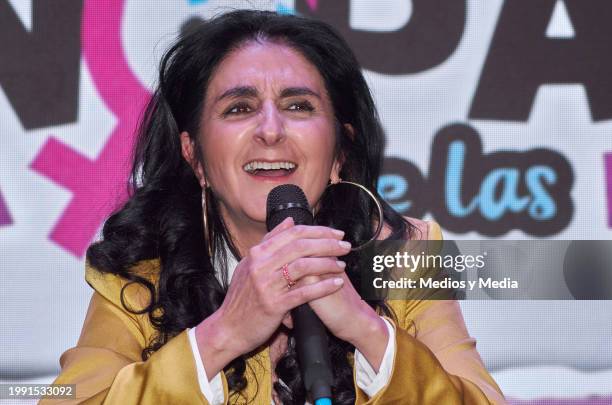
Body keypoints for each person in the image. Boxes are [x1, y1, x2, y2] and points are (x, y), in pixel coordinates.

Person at [42, 9, 506, 405]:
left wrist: (366, 329)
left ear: (339, 152)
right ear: (195, 156)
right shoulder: (141, 270)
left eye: (299, 106)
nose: (270, 130)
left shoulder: (409, 255)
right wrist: (222, 334)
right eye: (239, 108)